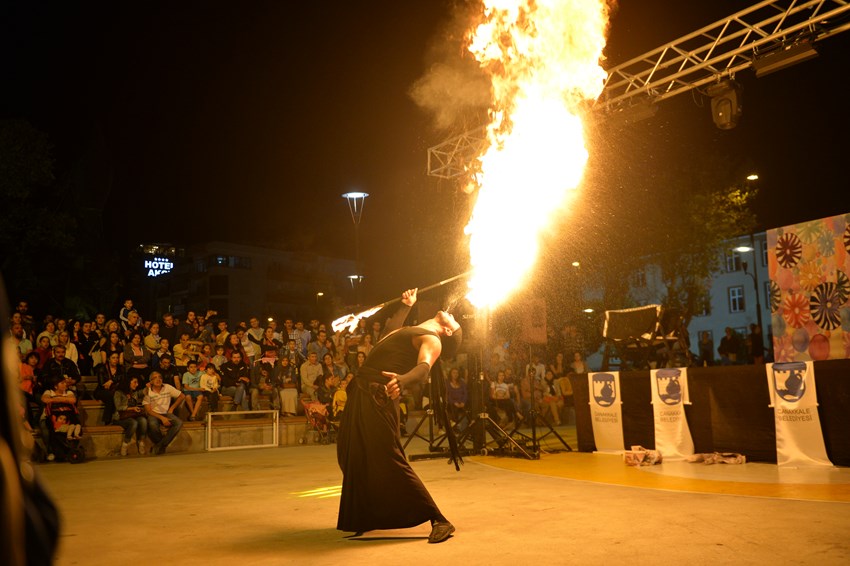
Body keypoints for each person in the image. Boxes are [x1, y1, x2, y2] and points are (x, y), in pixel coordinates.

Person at [337, 288, 460, 544]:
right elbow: (387, 334)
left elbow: (424, 368)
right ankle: (367, 515)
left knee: (389, 455)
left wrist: (402, 380)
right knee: (352, 452)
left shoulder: (433, 340)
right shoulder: (413, 328)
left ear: (447, 331)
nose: (451, 314)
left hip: (378, 393)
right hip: (362, 390)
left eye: (454, 321)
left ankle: (439, 519)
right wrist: (406, 306)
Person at [143, 371, 186, 455]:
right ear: (150, 381)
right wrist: (162, 418)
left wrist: (172, 408)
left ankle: (159, 445)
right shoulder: (147, 391)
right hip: (153, 414)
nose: (158, 379)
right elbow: (148, 411)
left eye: (160, 377)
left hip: (166, 412)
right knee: (152, 424)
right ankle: (162, 445)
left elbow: (182, 396)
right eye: (155, 378)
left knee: (179, 423)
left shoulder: (167, 387)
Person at [113, 376, 148, 456]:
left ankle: (141, 442)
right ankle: (125, 444)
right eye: (135, 382)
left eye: (137, 382)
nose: (137, 384)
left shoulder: (134, 392)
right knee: (133, 423)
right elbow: (118, 407)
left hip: (132, 415)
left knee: (143, 420)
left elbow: (143, 392)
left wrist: (149, 386)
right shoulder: (118, 393)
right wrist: (132, 408)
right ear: (128, 382)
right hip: (120, 417)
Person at [94, 351, 125, 425]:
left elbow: (123, 380)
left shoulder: (121, 368)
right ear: (109, 359)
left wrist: (111, 380)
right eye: (113, 358)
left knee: (113, 396)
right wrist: (116, 381)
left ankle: (109, 420)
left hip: (115, 391)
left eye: (117, 358)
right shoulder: (102, 368)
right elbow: (103, 385)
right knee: (111, 396)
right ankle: (108, 421)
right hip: (101, 391)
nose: (116, 360)